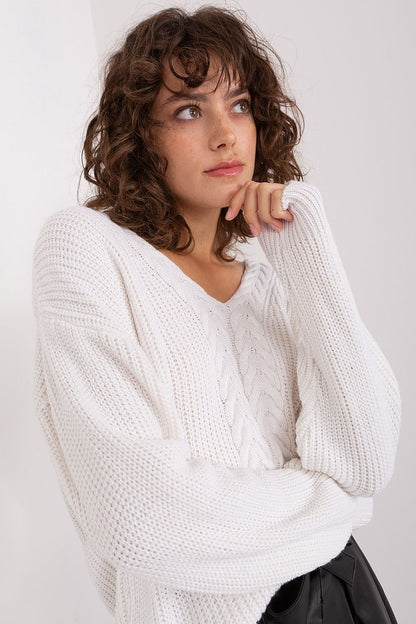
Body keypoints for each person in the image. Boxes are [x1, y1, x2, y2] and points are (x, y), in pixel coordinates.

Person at [31, 6, 401, 624]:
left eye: (239, 105)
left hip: (342, 595)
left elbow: (365, 460)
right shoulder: (86, 250)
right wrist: (330, 503)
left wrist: (305, 258)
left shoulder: (279, 284)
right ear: (139, 136)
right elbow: (140, 516)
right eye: (187, 110)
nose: (226, 135)